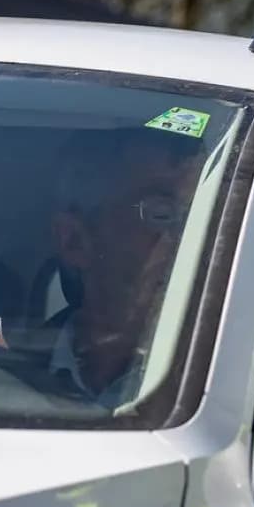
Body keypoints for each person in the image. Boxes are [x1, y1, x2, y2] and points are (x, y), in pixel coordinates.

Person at [45, 126, 202, 408]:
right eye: (162, 213)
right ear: (74, 241)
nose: (196, 237)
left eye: (207, 214)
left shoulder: (233, 379)